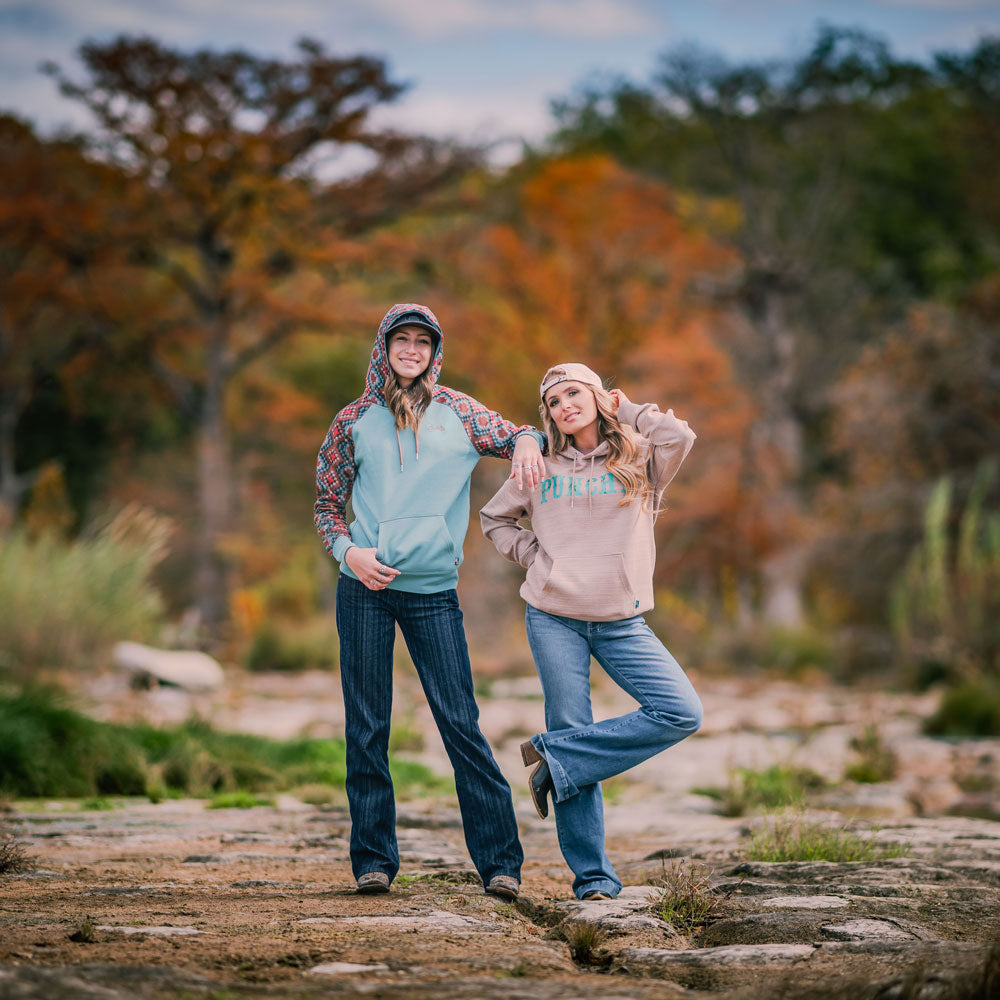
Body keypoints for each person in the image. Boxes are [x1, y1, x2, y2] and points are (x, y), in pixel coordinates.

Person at [315, 303, 546, 900]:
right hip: (364, 591)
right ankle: (373, 862)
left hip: (432, 594)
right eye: (402, 340)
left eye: (423, 341)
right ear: (385, 348)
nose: (412, 350)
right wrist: (349, 553)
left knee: (459, 722)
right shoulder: (352, 420)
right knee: (367, 728)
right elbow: (324, 505)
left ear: (434, 352)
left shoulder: (460, 413)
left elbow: (521, 432)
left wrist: (526, 440)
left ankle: (500, 864)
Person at [480, 362, 702, 901]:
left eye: (574, 393)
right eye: (554, 401)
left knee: (680, 711)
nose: (564, 406)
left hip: (622, 622)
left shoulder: (640, 456)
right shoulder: (539, 466)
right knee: (571, 726)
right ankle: (594, 880)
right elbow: (495, 520)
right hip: (553, 616)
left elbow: (681, 434)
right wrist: (539, 560)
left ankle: (555, 759)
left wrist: (624, 408)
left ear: (599, 396)